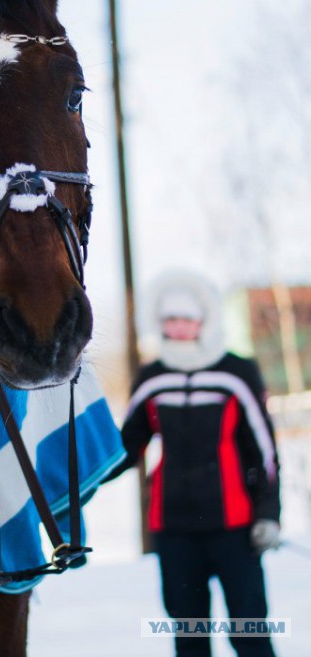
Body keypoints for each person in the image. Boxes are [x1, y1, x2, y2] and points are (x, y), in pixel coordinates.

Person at [109, 270, 281, 657]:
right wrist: (76, 482)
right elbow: (125, 448)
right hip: (174, 530)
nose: (179, 328)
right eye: (170, 320)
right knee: (189, 637)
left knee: (250, 633)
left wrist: (269, 513)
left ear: (204, 320)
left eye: (186, 319)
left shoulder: (236, 372)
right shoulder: (152, 377)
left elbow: (264, 453)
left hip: (235, 528)